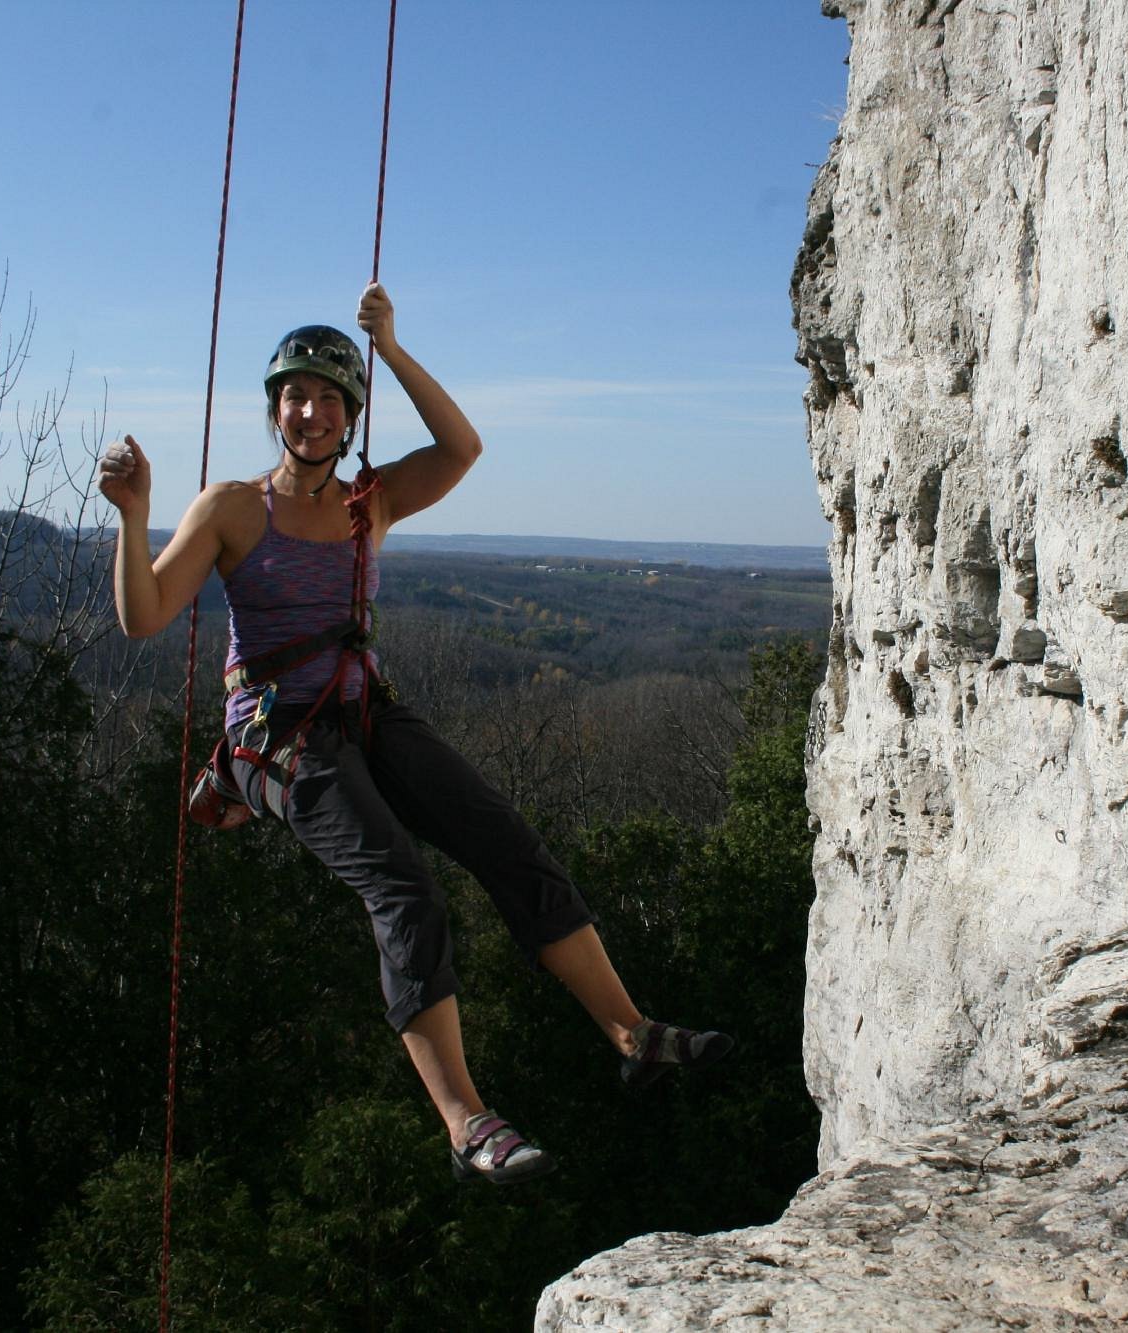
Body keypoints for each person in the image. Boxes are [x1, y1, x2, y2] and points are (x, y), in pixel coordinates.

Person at [97, 282, 730, 1184]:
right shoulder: (233, 508)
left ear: (351, 416)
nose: (308, 412)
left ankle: (633, 1033)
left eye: (326, 398)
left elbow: (463, 447)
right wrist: (132, 516)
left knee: (507, 844)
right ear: (274, 408)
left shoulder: (370, 501)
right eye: (294, 396)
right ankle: (467, 1122)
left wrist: (389, 347)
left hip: (365, 712)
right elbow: (145, 614)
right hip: (277, 740)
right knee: (407, 892)